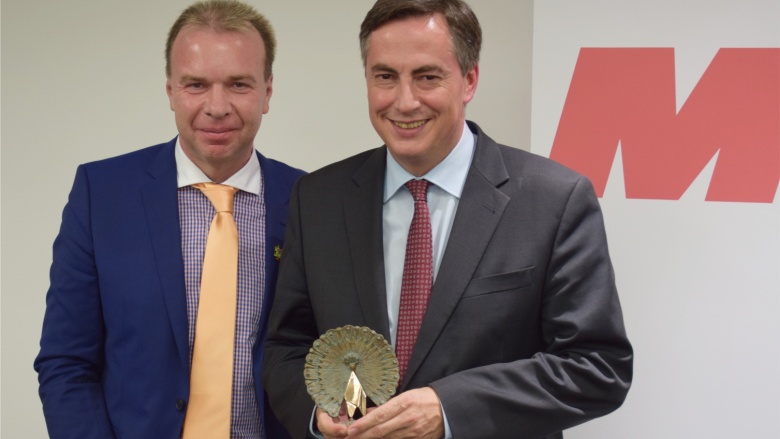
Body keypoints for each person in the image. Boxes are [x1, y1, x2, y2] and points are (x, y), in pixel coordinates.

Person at [262, 0, 633, 438]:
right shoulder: (318, 198)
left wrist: (449, 408)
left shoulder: (554, 200)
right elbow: (287, 347)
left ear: (469, 80)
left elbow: (597, 366)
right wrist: (326, 411)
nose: (404, 101)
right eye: (385, 77)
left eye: (427, 77)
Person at [34, 1, 303, 437]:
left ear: (267, 91)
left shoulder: (311, 201)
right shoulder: (102, 195)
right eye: (196, 85)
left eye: (238, 84)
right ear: (170, 91)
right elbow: (66, 363)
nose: (217, 106)